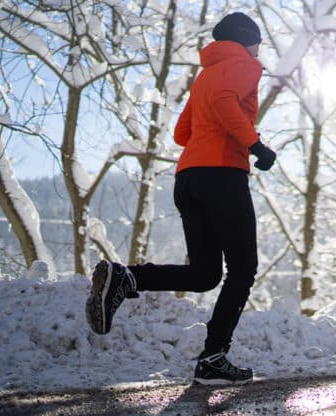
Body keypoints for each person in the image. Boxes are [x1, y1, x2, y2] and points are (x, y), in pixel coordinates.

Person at [85, 12, 276, 386]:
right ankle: (213, 358)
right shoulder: (245, 65)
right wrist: (255, 144)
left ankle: (127, 278)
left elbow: (182, 132)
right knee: (243, 269)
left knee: (206, 274)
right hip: (223, 175)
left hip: (189, 178)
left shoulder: (206, 74)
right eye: (257, 41)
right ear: (245, 39)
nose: (258, 49)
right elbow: (224, 104)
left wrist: (218, 138)